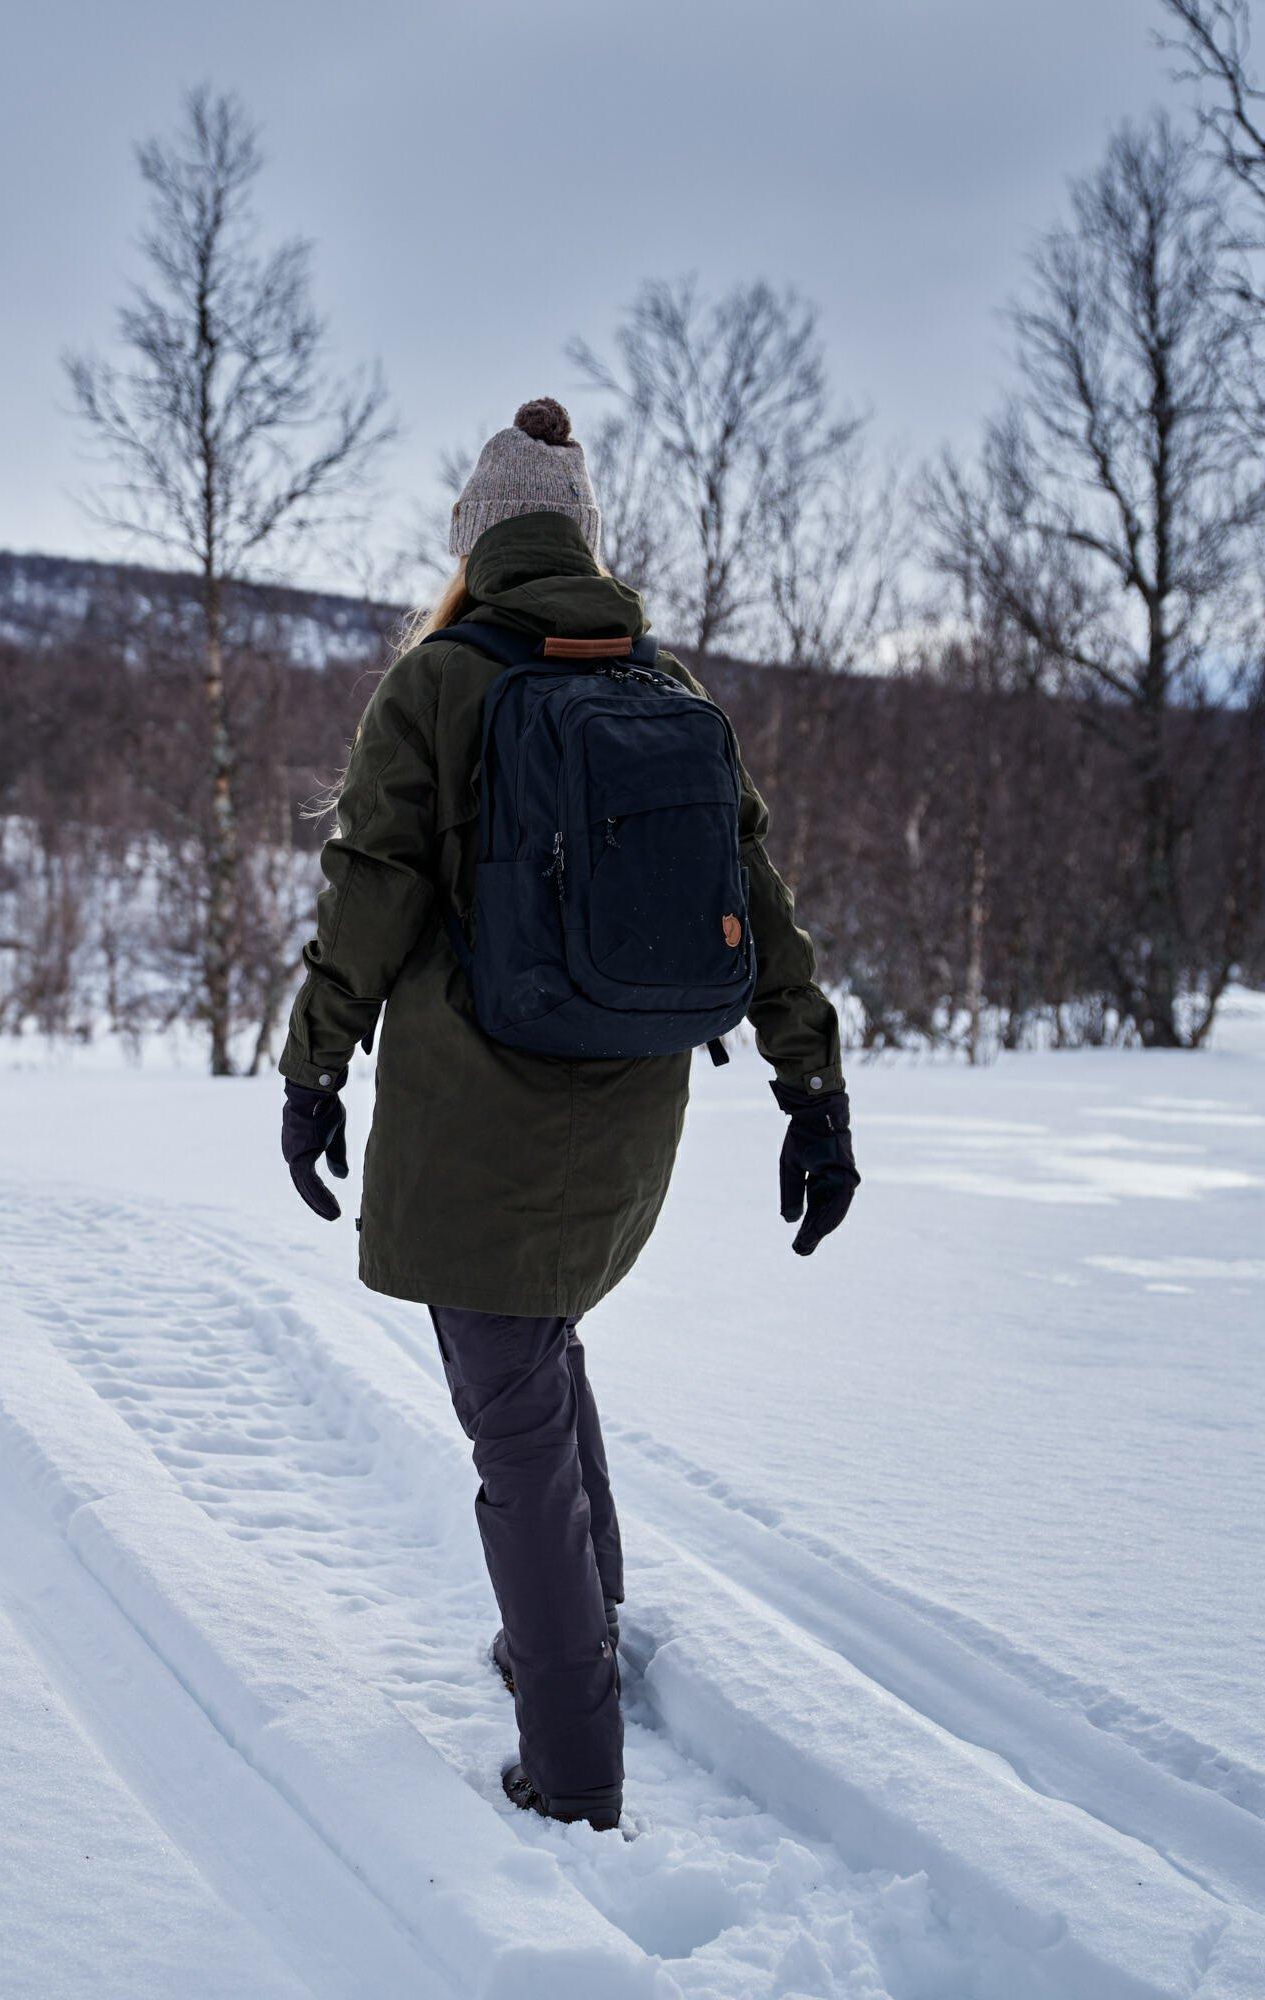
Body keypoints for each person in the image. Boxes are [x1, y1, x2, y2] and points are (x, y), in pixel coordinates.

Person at [277, 398, 859, 1833]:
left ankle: (575, 1762)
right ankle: (576, 1627)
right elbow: (763, 911)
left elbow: (370, 893)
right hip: (627, 1118)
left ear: (473, 547)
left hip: (479, 1114)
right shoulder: (667, 688)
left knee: (513, 1426)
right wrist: (813, 1088)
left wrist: (312, 1069)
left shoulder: (439, 683)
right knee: (542, 1355)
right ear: (582, 544)